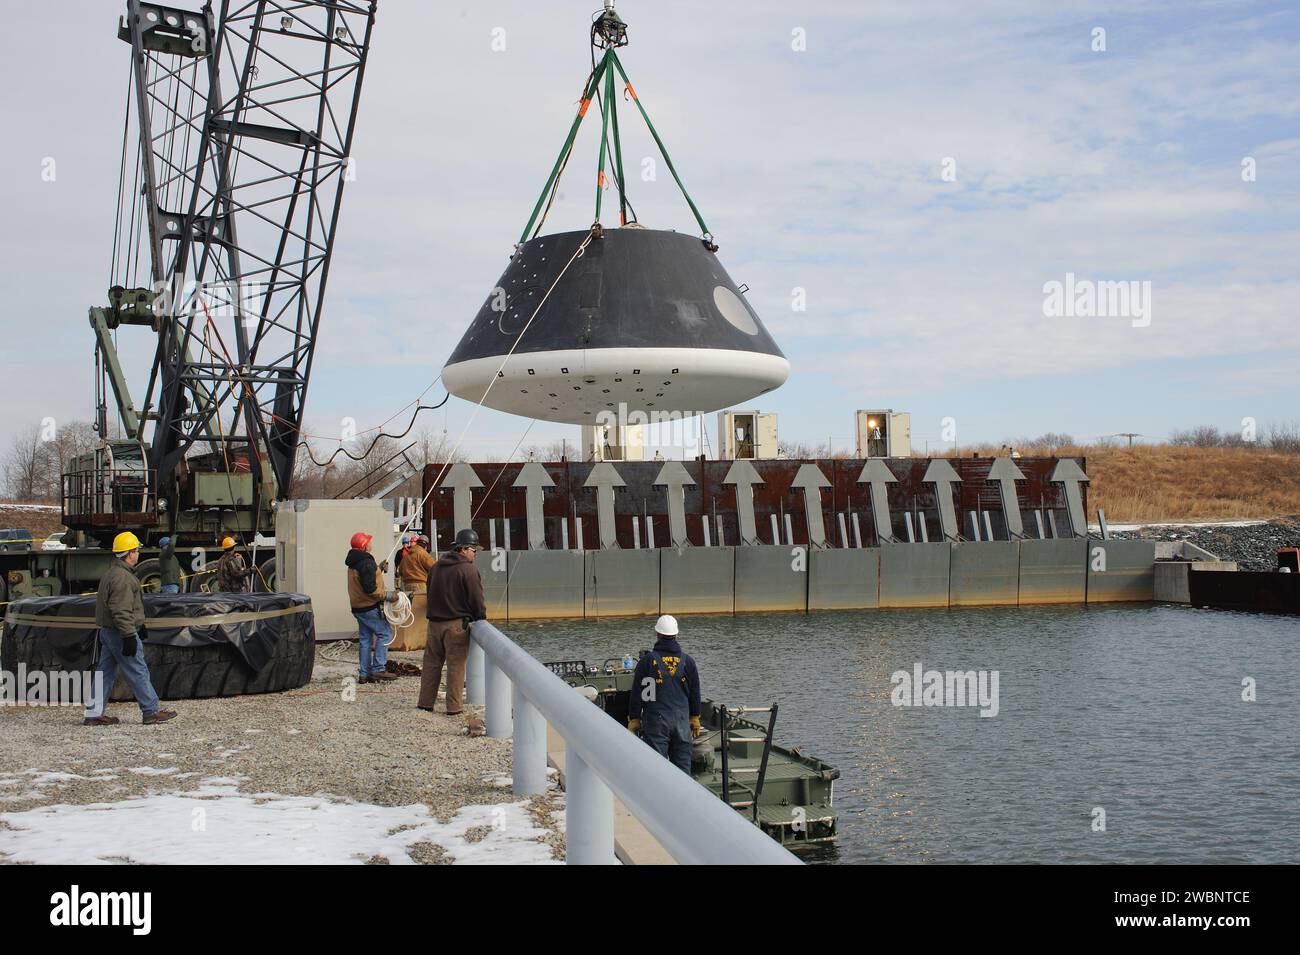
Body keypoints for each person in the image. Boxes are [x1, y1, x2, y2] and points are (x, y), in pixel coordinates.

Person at [83, 531, 178, 726]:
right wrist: (129, 634)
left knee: (105, 673)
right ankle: (151, 711)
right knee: (137, 670)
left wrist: (138, 625)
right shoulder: (123, 578)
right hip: (120, 633)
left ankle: (93, 713)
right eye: (136, 550)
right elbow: (121, 609)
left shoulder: (112, 573)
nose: (138, 554)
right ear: (129, 553)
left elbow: (118, 608)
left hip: (109, 632)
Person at [418, 528, 486, 716]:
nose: (475, 554)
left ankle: (425, 704)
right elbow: (477, 599)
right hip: (456, 626)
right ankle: (454, 707)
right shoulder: (468, 569)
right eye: (474, 550)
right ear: (463, 549)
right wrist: (480, 618)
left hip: (434, 625)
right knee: (456, 667)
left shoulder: (436, 567)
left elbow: (430, 592)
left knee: (431, 664)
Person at [627, 615, 701, 773]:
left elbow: (640, 694)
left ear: (658, 634)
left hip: (656, 722)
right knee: (682, 770)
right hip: (682, 722)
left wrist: (635, 718)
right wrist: (695, 716)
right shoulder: (688, 662)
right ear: (676, 635)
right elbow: (695, 693)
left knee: (656, 770)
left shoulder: (647, 662)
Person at [346, 531, 398, 683]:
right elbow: (370, 589)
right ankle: (378, 669)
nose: (371, 543)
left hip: (358, 607)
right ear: (364, 546)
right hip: (368, 607)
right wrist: (389, 596)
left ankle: (364, 673)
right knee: (385, 633)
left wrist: (378, 569)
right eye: (368, 542)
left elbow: (363, 579)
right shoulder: (366, 562)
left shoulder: (354, 561)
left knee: (365, 639)